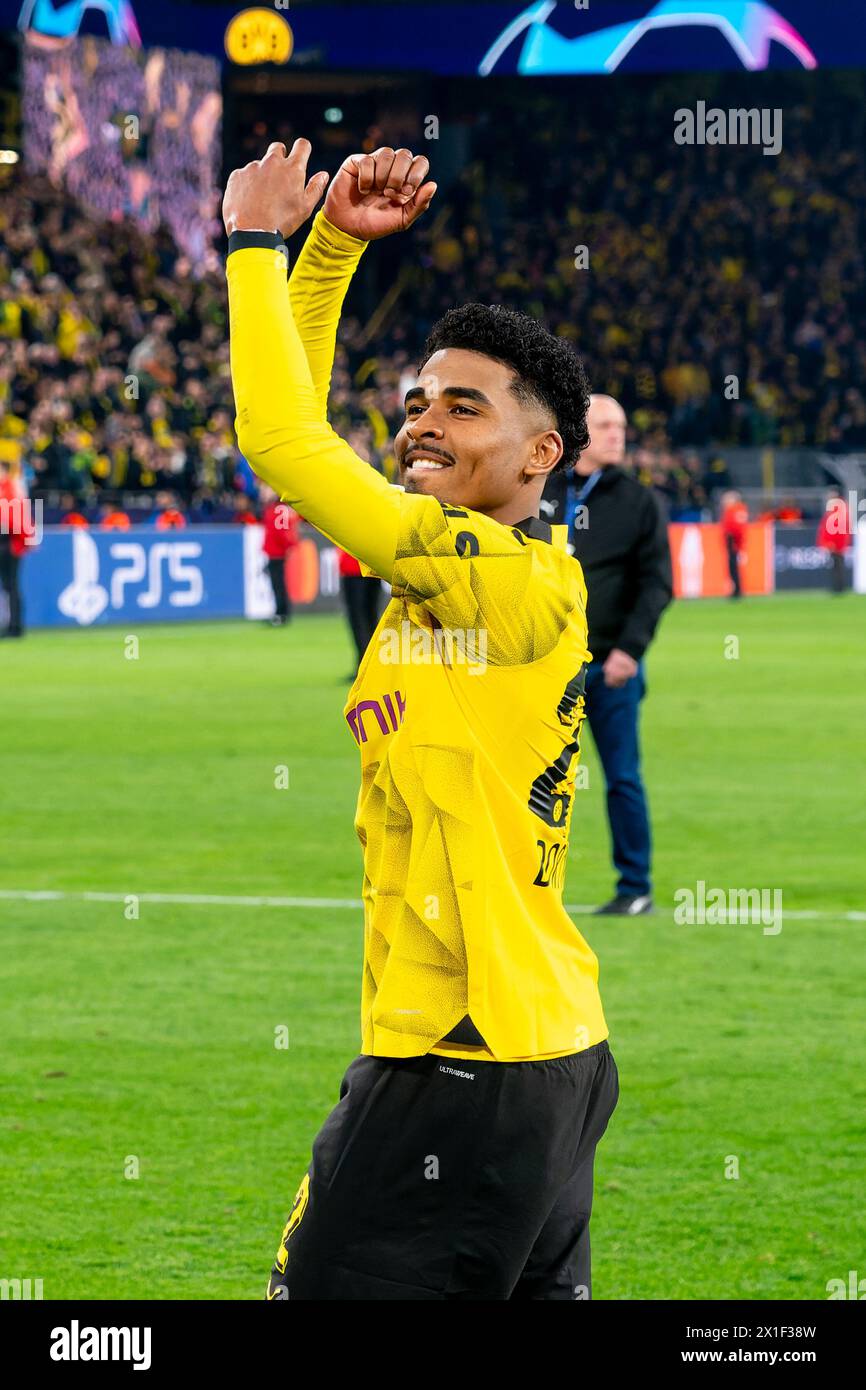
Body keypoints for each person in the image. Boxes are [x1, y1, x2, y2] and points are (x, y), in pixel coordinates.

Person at [225, 139, 618, 1301]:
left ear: (543, 453)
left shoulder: (497, 575)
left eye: (463, 406)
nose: (418, 424)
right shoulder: (447, 571)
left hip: (462, 1058)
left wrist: (255, 244)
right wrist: (334, 247)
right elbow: (297, 438)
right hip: (538, 1051)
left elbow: (279, 442)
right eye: (412, 404)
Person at [542, 395, 672, 915]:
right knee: (539, 781)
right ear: (581, 433)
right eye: (606, 425)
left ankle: (635, 886)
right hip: (547, 666)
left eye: (622, 425)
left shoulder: (640, 502)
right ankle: (533, 887)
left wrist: (629, 652)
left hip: (610, 667)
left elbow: (657, 585)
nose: (619, 434)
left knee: (622, 776)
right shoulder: (542, 488)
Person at [338, 545, 384, 677]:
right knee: (371, 617)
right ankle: (374, 665)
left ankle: (364, 667)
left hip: (354, 569)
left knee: (358, 620)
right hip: (373, 567)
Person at [0, 460, 33, 638]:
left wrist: (25, 539)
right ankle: (10, 624)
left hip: (10, 542)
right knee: (8, 586)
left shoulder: (11, 488)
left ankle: (15, 626)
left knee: (11, 585)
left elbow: (15, 518)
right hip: (7, 541)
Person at [261, 486, 299, 625]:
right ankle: (282, 613)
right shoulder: (284, 510)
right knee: (279, 585)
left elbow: (277, 532)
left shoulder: (273, 510)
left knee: (277, 585)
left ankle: (281, 614)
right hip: (279, 552)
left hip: (275, 553)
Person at [816, 490, 851, 594]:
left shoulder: (837, 510)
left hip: (836, 545)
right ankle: (838, 587)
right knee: (836, 567)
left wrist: (833, 543)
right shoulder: (836, 510)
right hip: (835, 544)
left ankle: (838, 588)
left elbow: (836, 529)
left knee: (837, 567)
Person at [719, 489, 749, 598]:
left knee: (733, 566)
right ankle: (736, 588)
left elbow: (735, 527)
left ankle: (737, 589)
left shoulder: (734, 510)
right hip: (734, 541)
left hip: (733, 541)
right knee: (733, 567)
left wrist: (732, 540)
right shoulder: (739, 509)